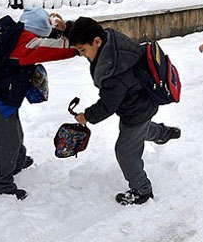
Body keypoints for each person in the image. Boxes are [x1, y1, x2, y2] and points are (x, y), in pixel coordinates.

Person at [67, 17, 181, 206]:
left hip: (136, 111)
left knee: (125, 151)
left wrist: (86, 116)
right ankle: (163, 133)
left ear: (96, 41)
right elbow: (85, 29)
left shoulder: (115, 71)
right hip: (140, 103)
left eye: (83, 50)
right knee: (137, 133)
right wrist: (66, 28)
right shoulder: (110, 40)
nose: (81, 55)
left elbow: (107, 105)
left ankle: (142, 190)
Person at [0, 8, 77, 200]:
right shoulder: (27, 43)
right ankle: (2, 183)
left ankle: (19, 161)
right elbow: (62, 49)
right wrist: (79, 44)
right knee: (7, 138)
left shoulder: (14, 34)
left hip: (0, 94)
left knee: (13, 129)